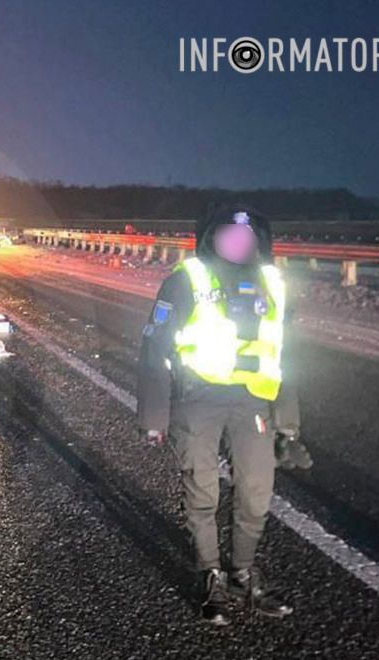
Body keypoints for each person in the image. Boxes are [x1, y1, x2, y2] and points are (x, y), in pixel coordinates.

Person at [137, 204, 297, 626]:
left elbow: (282, 353)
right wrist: (155, 415)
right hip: (198, 399)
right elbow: (154, 346)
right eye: (229, 235)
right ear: (210, 237)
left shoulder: (271, 284)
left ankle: (243, 573)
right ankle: (211, 576)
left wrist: (289, 423)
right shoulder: (187, 280)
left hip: (253, 401)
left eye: (247, 237)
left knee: (257, 493)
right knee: (202, 490)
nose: (240, 243)